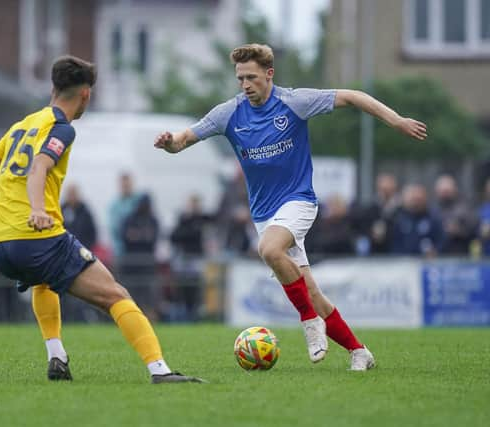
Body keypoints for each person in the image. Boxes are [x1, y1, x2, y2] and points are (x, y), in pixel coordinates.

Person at [154, 43, 427, 371]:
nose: (245, 84)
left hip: (299, 202)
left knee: (268, 249)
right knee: (310, 290)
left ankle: (311, 325)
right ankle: (359, 352)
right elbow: (184, 138)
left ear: (269, 74)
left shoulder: (294, 102)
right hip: (264, 214)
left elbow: (353, 96)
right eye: (240, 78)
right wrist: (170, 143)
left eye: (252, 77)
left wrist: (395, 121)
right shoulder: (229, 112)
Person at [0, 55, 203, 384]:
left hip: (0, 245)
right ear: (86, 94)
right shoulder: (62, 129)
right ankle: (159, 370)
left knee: (44, 280)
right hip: (36, 237)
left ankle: (57, 357)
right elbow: (38, 168)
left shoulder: (21, 125)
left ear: (53, 88)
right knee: (116, 296)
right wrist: (37, 210)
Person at [390, 184, 443, 256]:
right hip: (403, 263)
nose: (416, 202)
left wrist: (436, 251)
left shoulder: (433, 219)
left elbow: (441, 240)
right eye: (414, 199)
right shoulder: (399, 219)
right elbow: (394, 243)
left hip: (427, 263)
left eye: (419, 199)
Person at [432, 175, 477, 255]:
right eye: (442, 191)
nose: (445, 194)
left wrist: (459, 231)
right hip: (438, 256)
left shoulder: (466, 209)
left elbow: (475, 232)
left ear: (455, 190)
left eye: (447, 191)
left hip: (461, 255)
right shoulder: (432, 209)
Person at [61, 184, 97, 249]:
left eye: (73, 193)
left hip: (83, 249)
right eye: (70, 194)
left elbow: (92, 233)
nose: (71, 196)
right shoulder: (61, 211)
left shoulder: (85, 212)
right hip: (64, 251)